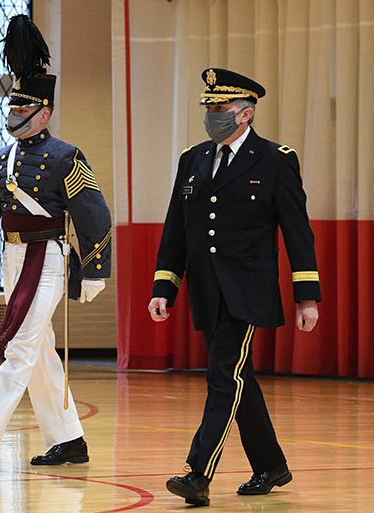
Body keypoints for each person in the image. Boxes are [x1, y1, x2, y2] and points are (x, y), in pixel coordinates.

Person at [0, 15, 112, 468]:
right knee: (38, 350)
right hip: (12, 257)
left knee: (19, 344)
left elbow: (95, 214)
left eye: (22, 112)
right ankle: (69, 439)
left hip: (49, 258)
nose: (13, 117)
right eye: (11, 110)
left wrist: (96, 270)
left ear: (44, 113)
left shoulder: (66, 157)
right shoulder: (0, 161)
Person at [150, 68, 320, 507]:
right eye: (208, 108)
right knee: (238, 376)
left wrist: (307, 296)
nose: (211, 115)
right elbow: (177, 229)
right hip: (206, 290)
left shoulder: (275, 159)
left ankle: (198, 472)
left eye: (220, 108)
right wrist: (164, 286)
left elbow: (297, 232)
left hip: (248, 290)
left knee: (223, 375)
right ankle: (271, 465)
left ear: (245, 114)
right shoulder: (193, 158)